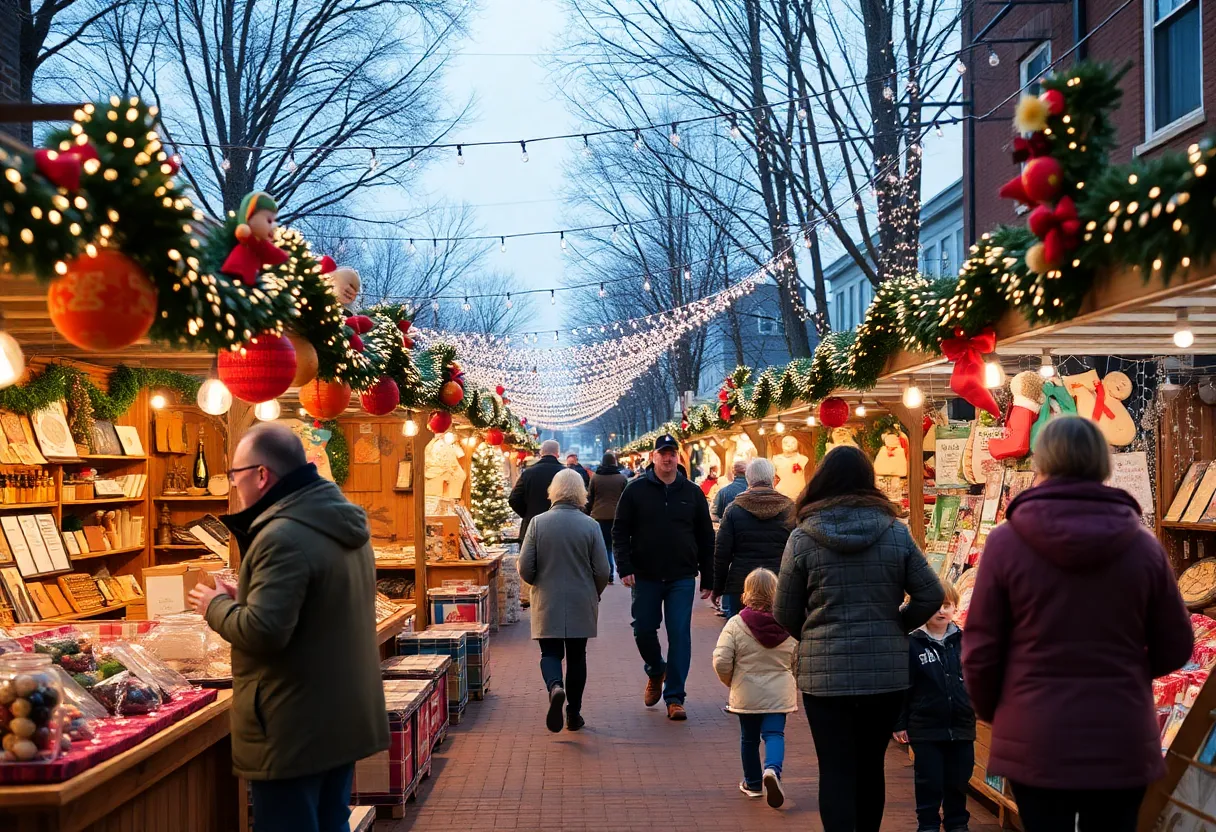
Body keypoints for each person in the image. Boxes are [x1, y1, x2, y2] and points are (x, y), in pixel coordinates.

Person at [963, 416, 1193, 832]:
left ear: (1041, 462)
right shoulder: (1142, 546)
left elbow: (980, 649)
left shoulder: (1005, 543)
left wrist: (995, 708)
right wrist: (1129, 671)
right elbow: (1177, 643)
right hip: (1120, 731)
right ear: (1103, 464)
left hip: (1035, 733)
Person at [188, 424, 388, 832]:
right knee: (332, 819)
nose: (234, 486)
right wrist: (246, 595)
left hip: (292, 722)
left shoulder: (281, 534)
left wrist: (216, 605)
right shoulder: (336, 521)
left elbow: (264, 632)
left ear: (261, 475)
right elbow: (314, 608)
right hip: (339, 713)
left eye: (235, 475)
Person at [774, 445, 944, 832]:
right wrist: (896, 625)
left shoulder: (802, 538)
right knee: (870, 766)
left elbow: (784, 611)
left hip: (824, 675)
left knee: (834, 768)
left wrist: (815, 635)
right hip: (883, 673)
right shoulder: (895, 534)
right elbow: (931, 595)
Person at [614, 433, 715, 721]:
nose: (668, 458)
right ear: (653, 457)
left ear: (678, 457)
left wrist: (708, 577)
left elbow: (706, 538)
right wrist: (625, 566)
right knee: (643, 629)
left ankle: (675, 697)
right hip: (645, 575)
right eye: (663, 453)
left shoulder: (693, 493)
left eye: (672, 453)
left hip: (681, 576)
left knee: (680, 634)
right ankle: (656, 669)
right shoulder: (635, 491)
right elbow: (620, 532)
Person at [519, 469, 611, 733]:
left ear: (554, 491)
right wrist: (595, 591)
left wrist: (537, 580)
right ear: (580, 492)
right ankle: (574, 713)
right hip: (581, 599)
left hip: (547, 599)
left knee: (549, 652)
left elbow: (526, 567)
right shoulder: (591, 525)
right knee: (577, 656)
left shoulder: (538, 523)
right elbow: (603, 570)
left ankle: (554, 686)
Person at [893, 583, 976, 832]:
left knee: (959, 779)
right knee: (929, 779)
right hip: (926, 726)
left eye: (947, 606)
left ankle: (957, 823)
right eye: (935, 606)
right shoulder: (912, 644)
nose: (941, 610)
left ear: (954, 608)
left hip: (961, 725)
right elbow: (903, 686)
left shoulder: (965, 641)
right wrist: (900, 722)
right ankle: (927, 824)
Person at [712, 567, 797, 810]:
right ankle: (772, 770)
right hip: (779, 692)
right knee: (774, 734)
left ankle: (753, 784)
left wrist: (731, 681)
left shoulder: (736, 624)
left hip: (746, 691)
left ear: (746, 593)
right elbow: (797, 657)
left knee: (749, 739)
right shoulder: (788, 623)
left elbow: (721, 660)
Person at [712, 458, 794, 620]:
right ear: (772, 478)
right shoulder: (790, 508)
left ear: (749, 479)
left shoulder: (734, 509)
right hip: (780, 584)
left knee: (741, 635)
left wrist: (718, 587)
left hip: (742, 585)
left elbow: (722, 553)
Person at [509, 439, 564, 541]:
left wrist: (527, 513)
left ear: (541, 453)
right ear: (558, 453)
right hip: (560, 527)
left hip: (532, 526)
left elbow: (514, 499)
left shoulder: (528, 473)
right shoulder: (566, 473)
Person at [587, 451, 628, 584]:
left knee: (603, 546)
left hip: (598, 516)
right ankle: (617, 570)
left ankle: (607, 572)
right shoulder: (621, 478)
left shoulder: (595, 478)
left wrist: (587, 512)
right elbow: (627, 499)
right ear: (614, 462)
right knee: (615, 545)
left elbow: (590, 497)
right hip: (618, 516)